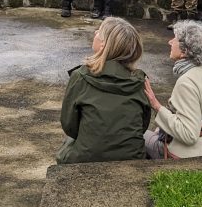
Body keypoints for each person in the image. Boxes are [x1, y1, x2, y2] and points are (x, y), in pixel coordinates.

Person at [56, 17, 151, 164]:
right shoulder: (139, 81)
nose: (95, 32)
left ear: (104, 45)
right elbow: (143, 125)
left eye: (99, 31)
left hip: (87, 157)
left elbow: (70, 126)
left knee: (67, 145)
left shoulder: (81, 77)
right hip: (132, 157)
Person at [142, 20, 202, 158]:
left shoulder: (187, 82)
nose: (170, 42)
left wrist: (156, 106)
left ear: (185, 51)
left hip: (200, 153)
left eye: (175, 39)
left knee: (140, 137)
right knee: (158, 130)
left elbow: (188, 135)